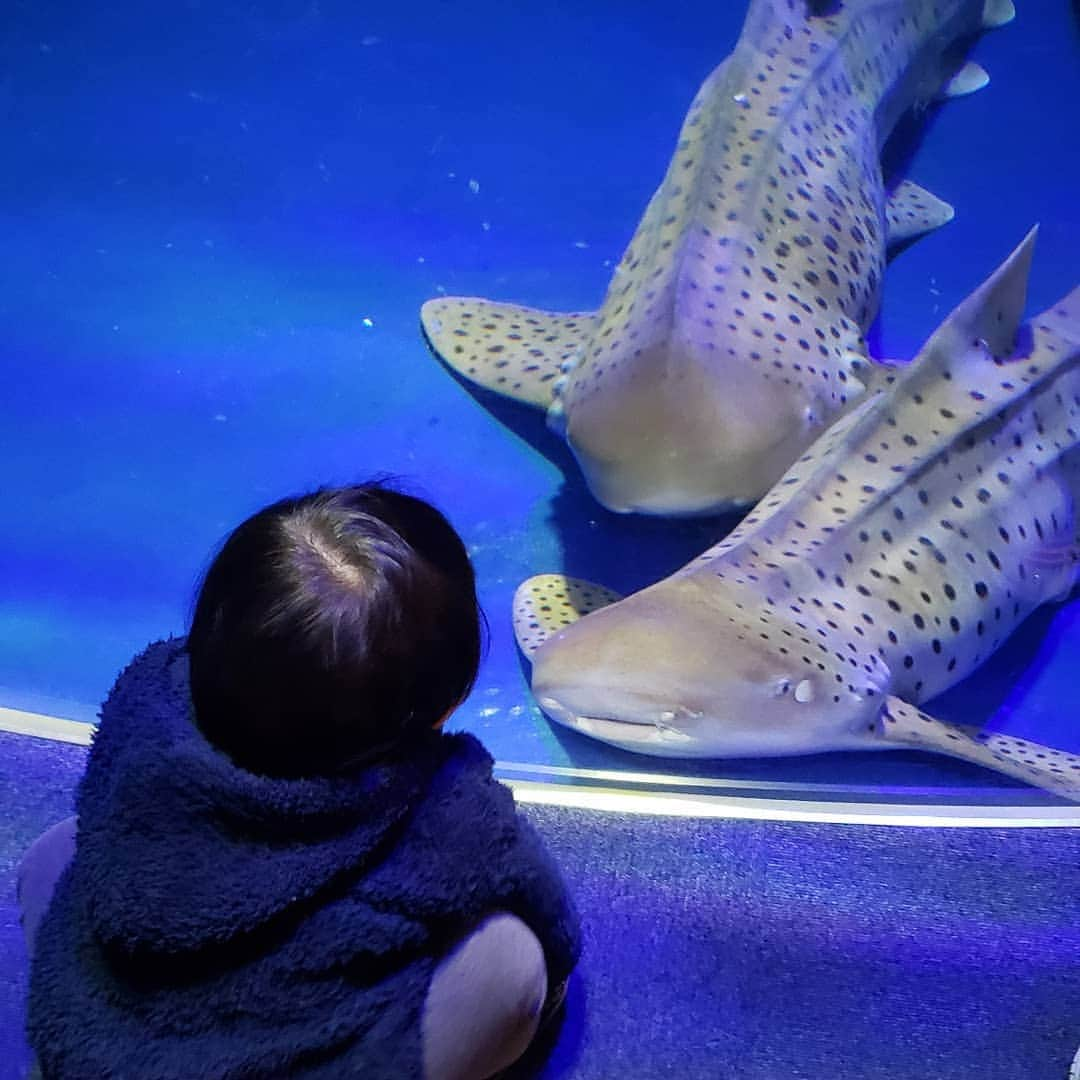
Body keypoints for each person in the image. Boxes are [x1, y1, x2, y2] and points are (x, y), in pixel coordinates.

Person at [20, 482, 580, 1079]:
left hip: (100, 1051)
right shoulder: (451, 808)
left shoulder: (148, 705)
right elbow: (551, 920)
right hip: (308, 1057)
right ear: (447, 702)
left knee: (55, 853)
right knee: (511, 957)